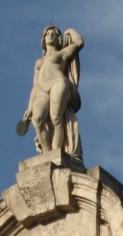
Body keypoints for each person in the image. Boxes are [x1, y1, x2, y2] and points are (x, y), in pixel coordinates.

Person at [21, 26, 84, 159]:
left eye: (54, 34)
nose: (50, 36)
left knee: (56, 118)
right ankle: (47, 153)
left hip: (58, 84)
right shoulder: (39, 62)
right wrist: (30, 106)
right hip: (42, 91)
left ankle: (56, 153)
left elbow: (79, 43)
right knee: (37, 119)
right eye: (47, 34)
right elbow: (35, 85)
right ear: (43, 39)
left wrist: (71, 30)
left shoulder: (62, 53)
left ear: (58, 39)